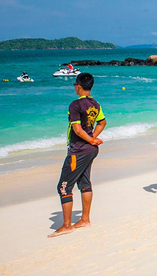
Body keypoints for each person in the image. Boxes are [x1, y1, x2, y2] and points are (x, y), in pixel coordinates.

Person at [49, 72, 106, 238]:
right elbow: (102, 122)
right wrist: (93, 138)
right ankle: (85, 220)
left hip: (79, 150)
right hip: (89, 150)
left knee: (64, 186)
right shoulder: (95, 104)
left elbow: (77, 129)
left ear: (78, 86)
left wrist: (91, 139)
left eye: (75, 84)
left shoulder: (75, 105)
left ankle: (67, 225)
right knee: (84, 182)